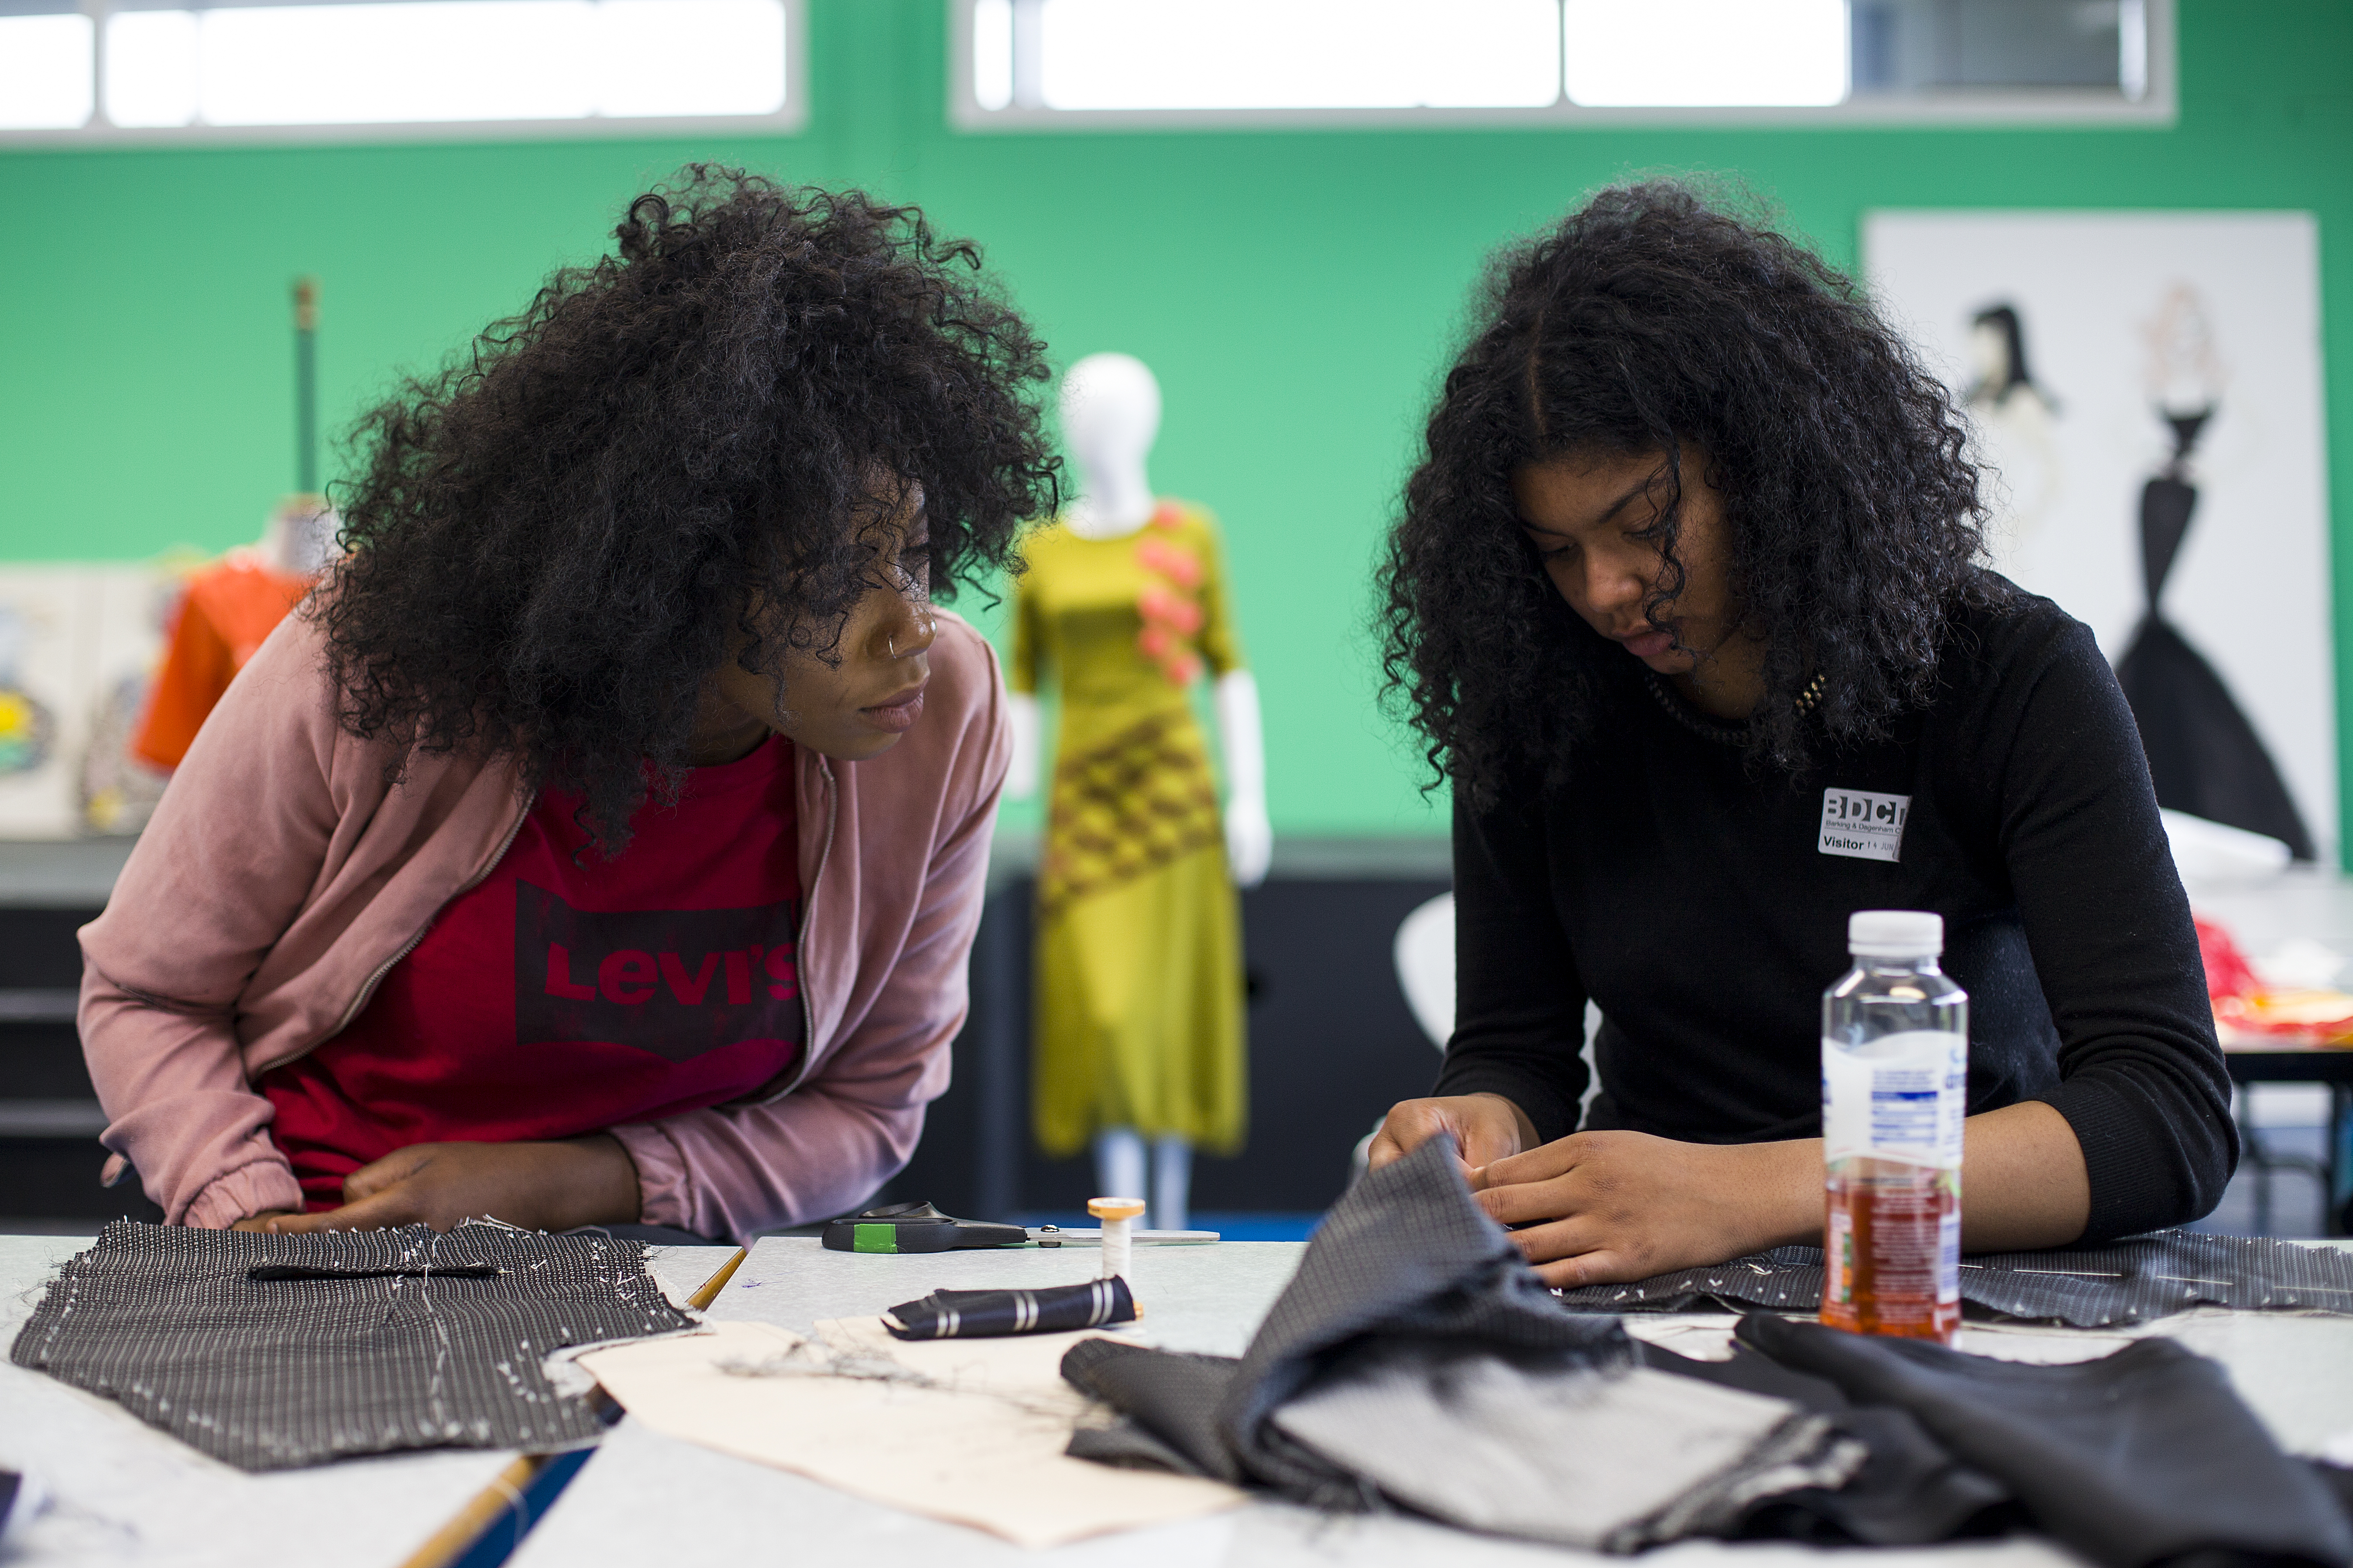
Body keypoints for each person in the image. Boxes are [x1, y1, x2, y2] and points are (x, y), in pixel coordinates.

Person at [78, 167, 1056, 1242]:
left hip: (673, 1270)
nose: (908, 627)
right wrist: (246, 1223)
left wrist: (566, 1185)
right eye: (831, 581)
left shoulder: (942, 715)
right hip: (323, 1235)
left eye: (914, 555)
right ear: (677, 570)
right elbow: (147, 994)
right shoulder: (382, 665)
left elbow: (869, 1111)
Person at [1370, 182, 2235, 1286]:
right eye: (1555, 551)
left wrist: (1744, 1195)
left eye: (1645, 526)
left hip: (1953, 1275)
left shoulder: (2011, 678)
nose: (1604, 589)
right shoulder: (1534, 696)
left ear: (1766, 466)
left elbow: (2163, 1117)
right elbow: (1512, 1051)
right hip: (1640, 1279)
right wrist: (1476, 1123)